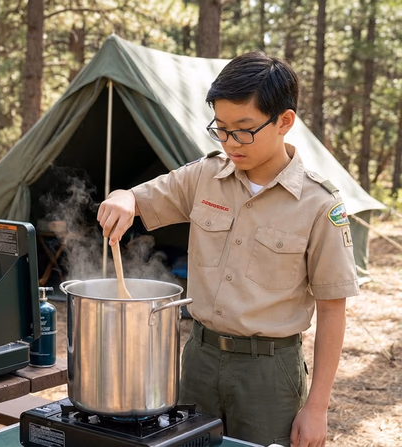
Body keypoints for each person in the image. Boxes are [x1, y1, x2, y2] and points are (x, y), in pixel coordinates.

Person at [97, 52, 358, 447]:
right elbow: (138, 197)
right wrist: (122, 198)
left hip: (269, 374)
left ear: (285, 121)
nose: (231, 142)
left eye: (244, 130)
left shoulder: (320, 204)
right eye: (220, 129)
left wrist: (317, 407)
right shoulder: (204, 176)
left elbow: (333, 308)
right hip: (199, 360)